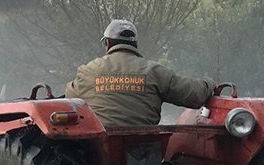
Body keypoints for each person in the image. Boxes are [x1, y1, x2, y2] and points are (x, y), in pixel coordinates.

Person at [65, 19, 217, 128]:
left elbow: (68, 97)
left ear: (107, 43)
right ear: (135, 44)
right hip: (144, 151)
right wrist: (209, 83)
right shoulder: (154, 72)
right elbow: (194, 94)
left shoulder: (88, 71)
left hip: (95, 152)